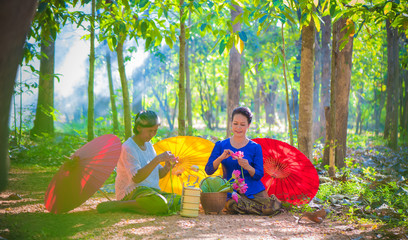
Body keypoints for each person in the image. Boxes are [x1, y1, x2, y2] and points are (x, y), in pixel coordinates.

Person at [97, 110, 180, 215]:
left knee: (179, 200)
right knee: (161, 203)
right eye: (150, 131)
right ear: (138, 128)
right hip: (132, 191)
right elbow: (136, 178)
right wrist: (157, 159)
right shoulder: (128, 147)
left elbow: (158, 174)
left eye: (155, 131)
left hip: (150, 192)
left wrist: (167, 167)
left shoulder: (149, 145)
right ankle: (120, 205)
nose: (152, 134)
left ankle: (143, 207)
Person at [205, 106, 282, 215]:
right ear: (231, 123)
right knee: (232, 204)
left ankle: (254, 207)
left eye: (242, 125)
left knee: (239, 205)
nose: (238, 128)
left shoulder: (255, 147)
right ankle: (264, 208)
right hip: (231, 192)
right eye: (235, 123)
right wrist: (220, 158)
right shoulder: (221, 145)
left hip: (254, 192)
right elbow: (208, 170)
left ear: (248, 126)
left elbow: (259, 174)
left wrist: (248, 167)